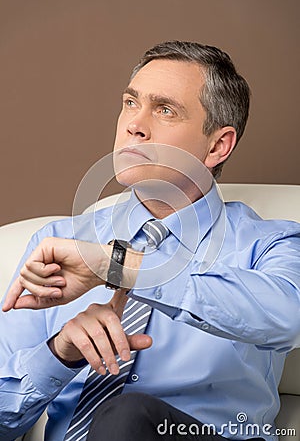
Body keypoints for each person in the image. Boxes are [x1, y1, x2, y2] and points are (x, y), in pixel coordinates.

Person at [1, 40, 300, 441]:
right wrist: (59, 353)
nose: (134, 125)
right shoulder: (56, 242)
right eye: (130, 102)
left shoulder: (270, 244)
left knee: (126, 417)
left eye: (165, 110)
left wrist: (120, 267)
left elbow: (288, 319)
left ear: (217, 145)